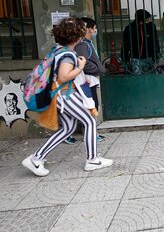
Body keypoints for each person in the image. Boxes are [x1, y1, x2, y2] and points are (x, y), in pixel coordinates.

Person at [22, 17, 113, 177]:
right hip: (66, 95)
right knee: (90, 120)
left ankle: (36, 158)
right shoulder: (68, 55)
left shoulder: (58, 50)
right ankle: (92, 159)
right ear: (77, 37)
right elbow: (64, 77)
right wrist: (81, 67)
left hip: (59, 95)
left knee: (68, 128)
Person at [64, 17, 106, 144]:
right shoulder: (83, 44)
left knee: (89, 107)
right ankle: (91, 135)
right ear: (88, 29)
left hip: (88, 80)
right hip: (86, 81)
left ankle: (89, 134)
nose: (95, 31)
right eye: (94, 28)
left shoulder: (86, 43)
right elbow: (84, 63)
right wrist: (98, 69)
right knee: (91, 107)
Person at [122, 9, 161, 74]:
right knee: (137, 78)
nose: (149, 21)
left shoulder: (151, 27)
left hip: (149, 57)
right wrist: (125, 60)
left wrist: (156, 57)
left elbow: (155, 42)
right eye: (147, 20)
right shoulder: (130, 29)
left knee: (150, 78)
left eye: (149, 19)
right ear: (140, 21)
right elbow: (125, 45)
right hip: (135, 58)